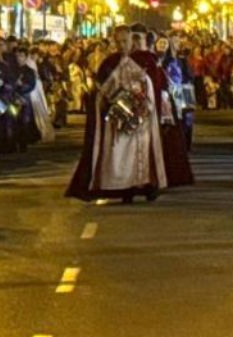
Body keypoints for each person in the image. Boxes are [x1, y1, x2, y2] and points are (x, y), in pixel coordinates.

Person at [66, 24, 167, 203]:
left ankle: (146, 186)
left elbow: (154, 85)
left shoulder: (145, 60)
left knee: (141, 154)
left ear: (132, 40)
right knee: (119, 155)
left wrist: (141, 98)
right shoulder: (109, 62)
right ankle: (123, 188)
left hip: (140, 115)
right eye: (118, 42)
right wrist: (111, 97)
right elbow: (99, 89)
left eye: (125, 41)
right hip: (117, 117)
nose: (122, 45)